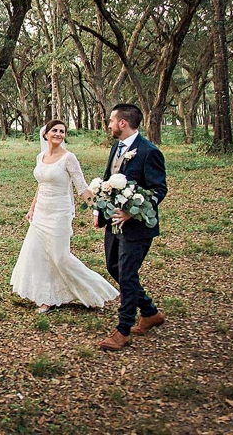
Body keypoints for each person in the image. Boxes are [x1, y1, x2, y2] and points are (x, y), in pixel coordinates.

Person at [11, 120, 119, 314]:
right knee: (39, 255)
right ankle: (47, 298)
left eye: (62, 131)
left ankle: (95, 290)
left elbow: (81, 186)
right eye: (55, 130)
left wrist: (98, 206)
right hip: (41, 212)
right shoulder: (40, 156)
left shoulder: (69, 158)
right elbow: (41, 184)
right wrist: (32, 208)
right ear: (46, 134)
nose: (59, 134)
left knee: (60, 257)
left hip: (59, 213)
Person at [96, 103, 168, 351]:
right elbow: (108, 179)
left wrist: (131, 211)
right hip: (113, 222)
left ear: (123, 123)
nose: (109, 125)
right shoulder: (117, 147)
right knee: (113, 268)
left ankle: (123, 330)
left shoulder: (149, 152)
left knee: (127, 274)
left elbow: (159, 190)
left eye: (112, 121)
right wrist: (100, 210)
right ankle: (149, 312)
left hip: (137, 227)